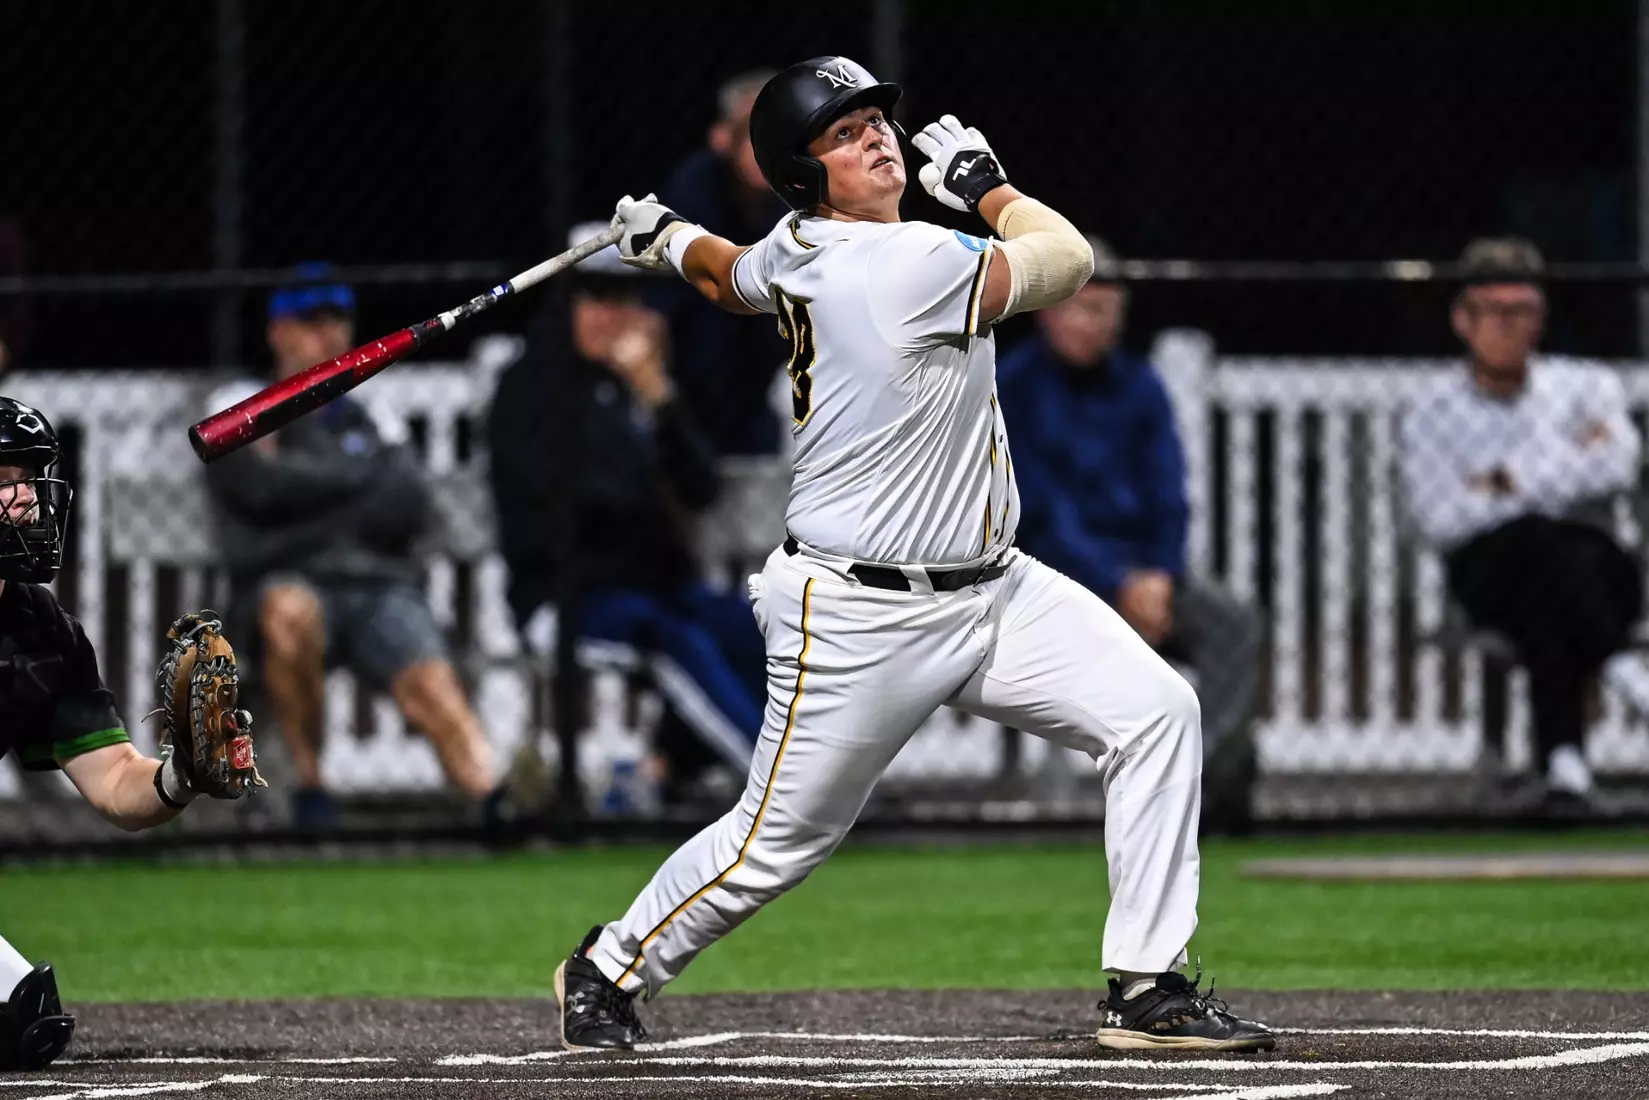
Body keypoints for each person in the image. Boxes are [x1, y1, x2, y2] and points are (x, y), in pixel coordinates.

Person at [550, 56, 1274, 1054]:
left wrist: (668, 238)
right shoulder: (900, 263)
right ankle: (611, 961)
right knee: (778, 842)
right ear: (803, 177)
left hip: (994, 588)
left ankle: (1145, 984)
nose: (877, 136)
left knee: (1156, 712)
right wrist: (988, 188)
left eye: (873, 119)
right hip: (858, 614)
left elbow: (730, 277)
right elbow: (1063, 261)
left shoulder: (797, 248)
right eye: (843, 134)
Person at [203, 268, 501, 829]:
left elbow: (409, 503)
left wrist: (302, 492)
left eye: (337, 319)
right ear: (277, 331)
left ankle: (493, 803)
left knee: (427, 677)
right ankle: (310, 794)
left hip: (373, 584)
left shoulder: (372, 408)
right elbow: (259, 491)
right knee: (288, 612)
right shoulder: (239, 402)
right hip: (281, 581)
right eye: (310, 321)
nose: (328, 334)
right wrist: (355, 484)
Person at [0, 397, 247, 1071]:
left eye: (28, 478)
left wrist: (183, 771)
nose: (24, 500)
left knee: (27, 1023)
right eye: (2, 480)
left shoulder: (41, 631)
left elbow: (114, 783)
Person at [996, 235, 1263, 833]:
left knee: (1234, 621)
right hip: (1050, 582)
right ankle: (1174, 794)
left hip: (1146, 578)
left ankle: (1200, 789)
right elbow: (1034, 513)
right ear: (1049, 308)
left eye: (1109, 311)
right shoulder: (1012, 386)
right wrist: (1117, 584)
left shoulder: (1140, 385)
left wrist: (1160, 579)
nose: (1098, 324)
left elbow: (1170, 496)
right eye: (1085, 308)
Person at [487, 223, 764, 799]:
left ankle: (675, 772)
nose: (610, 316)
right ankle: (783, 793)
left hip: (651, 588)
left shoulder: (639, 387)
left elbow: (701, 488)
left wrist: (658, 398)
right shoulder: (529, 389)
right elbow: (583, 503)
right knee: (674, 641)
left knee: (756, 628)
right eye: (595, 297)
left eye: (623, 299)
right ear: (566, 302)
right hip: (565, 597)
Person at [1399, 237, 1649, 803]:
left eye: (1526, 311)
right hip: (1491, 571)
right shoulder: (1432, 413)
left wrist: (1506, 480)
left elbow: (1620, 465)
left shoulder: (1586, 385)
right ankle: (1618, 675)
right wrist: (1564, 467)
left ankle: (1564, 766)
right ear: (1464, 319)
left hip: (1597, 565)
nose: (1513, 327)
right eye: (1498, 312)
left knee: (1555, 568)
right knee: (1537, 550)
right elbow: (1441, 518)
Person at [650, 70, 792, 457]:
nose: (766, 143)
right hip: (694, 381)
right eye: (752, 131)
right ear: (722, 138)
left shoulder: (800, 196)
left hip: (765, 386)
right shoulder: (691, 193)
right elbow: (659, 309)